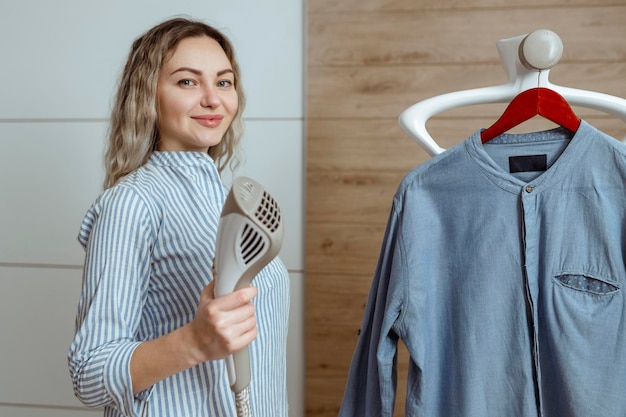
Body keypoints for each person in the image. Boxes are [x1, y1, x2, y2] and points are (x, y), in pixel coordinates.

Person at [67, 16, 290, 417]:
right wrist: (194, 342)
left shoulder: (228, 204)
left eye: (223, 82)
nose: (212, 98)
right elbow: (88, 370)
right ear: (147, 95)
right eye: (188, 82)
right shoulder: (132, 204)